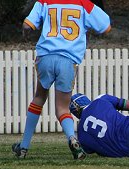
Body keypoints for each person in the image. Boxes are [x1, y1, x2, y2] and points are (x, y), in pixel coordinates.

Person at [12, 0, 111, 160]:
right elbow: (105, 26)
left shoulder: (45, 1)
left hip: (46, 56)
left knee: (39, 98)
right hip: (68, 61)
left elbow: (27, 25)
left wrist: (27, 33)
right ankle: (72, 139)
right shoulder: (83, 3)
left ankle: (23, 146)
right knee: (62, 108)